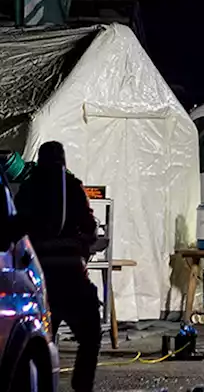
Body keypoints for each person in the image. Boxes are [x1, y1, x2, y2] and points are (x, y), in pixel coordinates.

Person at [15, 141, 101, 392]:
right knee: (90, 334)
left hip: (38, 280)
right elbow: (89, 228)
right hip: (71, 277)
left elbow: (16, 227)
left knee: (36, 340)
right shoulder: (72, 188)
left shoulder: (28, 189)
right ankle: (82, 384)